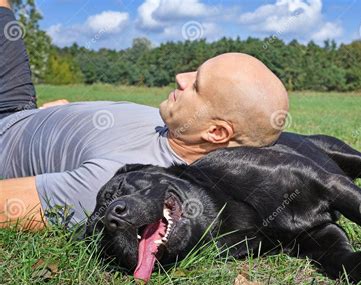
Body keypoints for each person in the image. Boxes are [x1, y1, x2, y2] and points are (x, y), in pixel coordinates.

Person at [0, 0, 289, 231]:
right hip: (21, 108)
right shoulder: (178, 128)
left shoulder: (123, 183)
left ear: (216, 133)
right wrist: (59, 116)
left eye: (197, 85)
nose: (180, 78)